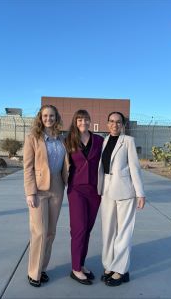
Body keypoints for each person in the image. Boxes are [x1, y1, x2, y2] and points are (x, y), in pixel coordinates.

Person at [97, 111, 146, 287]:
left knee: (124, 232)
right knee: (108, 230)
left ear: (123, 124)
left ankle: (121, 270)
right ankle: (109, 265)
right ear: (107, 123)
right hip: (107, 189)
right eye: (111, 121)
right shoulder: (103, 141)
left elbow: (135, 168)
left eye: (118, 122)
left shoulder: (128, 141)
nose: (114, 125)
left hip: (125, 190)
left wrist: (140, 193)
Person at [23, 104, 69, 287]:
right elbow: (27, 168)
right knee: (39, 231)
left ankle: (42, 268)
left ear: (56, 118)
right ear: (40, 118)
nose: (48, 118)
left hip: (58, 186)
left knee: (50, 232)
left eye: (51, 116)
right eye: (45, 116)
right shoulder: (33, 138)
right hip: (39, 189)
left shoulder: (62, 139)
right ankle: (33, 272)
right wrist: (30, 192)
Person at [65, 110, 104, 285]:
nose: (83, 122)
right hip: (76, 190)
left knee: (87, 229)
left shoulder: (99, 141)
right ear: (75, 121)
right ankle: (75, 269)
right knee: (79, 229)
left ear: (90, 121)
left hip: (95, 191)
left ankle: (81, 264)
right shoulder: (68, 141)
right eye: (79, 119)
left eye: (86, 119)